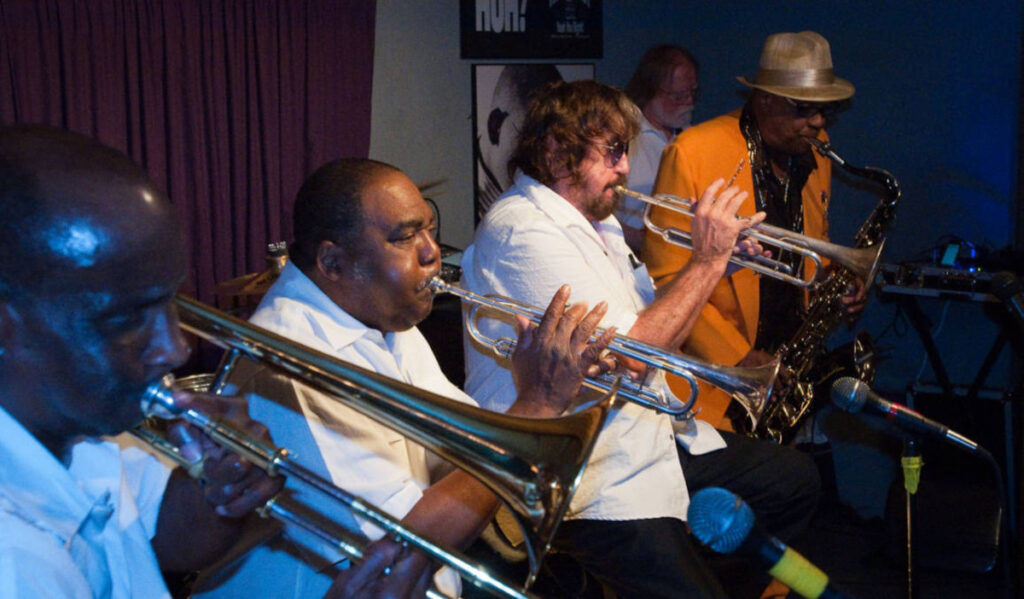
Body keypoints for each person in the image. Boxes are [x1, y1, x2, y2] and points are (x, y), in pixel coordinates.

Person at [462, 80, 821, 598]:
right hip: (586, 475)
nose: (626, 168)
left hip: (648, 438)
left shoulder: (594, 225)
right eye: (612, 152)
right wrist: (707, 260)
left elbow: (655, 327)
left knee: (793, 482)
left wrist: (717, 267)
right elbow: (630, 358)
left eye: (624, 150)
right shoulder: (524, 230)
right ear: (556, 152)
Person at [194, 157, 615, 599]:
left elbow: (461, 449)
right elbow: (398, 543)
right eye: (405, 236)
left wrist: (532, 393)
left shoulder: (388, 323)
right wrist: (535, 407)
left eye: (429, 229)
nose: (432, 251)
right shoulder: (285, 360)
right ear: (333, 262)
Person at [0, 124, 284, 598]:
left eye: (171, 301)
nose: (174, 348)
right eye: (126, 317)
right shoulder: (15, 566)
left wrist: (223, 487)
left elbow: (164, 535)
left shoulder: (68, 430)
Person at [644, 31, 865, 432]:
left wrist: (838, 279)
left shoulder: (815, 145)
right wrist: (740, 357)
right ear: (765, 99)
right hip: (717, 384)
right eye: (803, 109)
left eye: (824, 111)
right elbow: (665, 280)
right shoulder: (693, 152)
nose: (816, 123)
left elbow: (816, 238)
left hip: (789, 371)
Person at [616, 44, 701, 254]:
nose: (689, 101)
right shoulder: (625, 138)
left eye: (692, 92)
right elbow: (598, 217)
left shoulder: (693, 138)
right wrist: (649, 245)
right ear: (651, 90)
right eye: (679, 95)